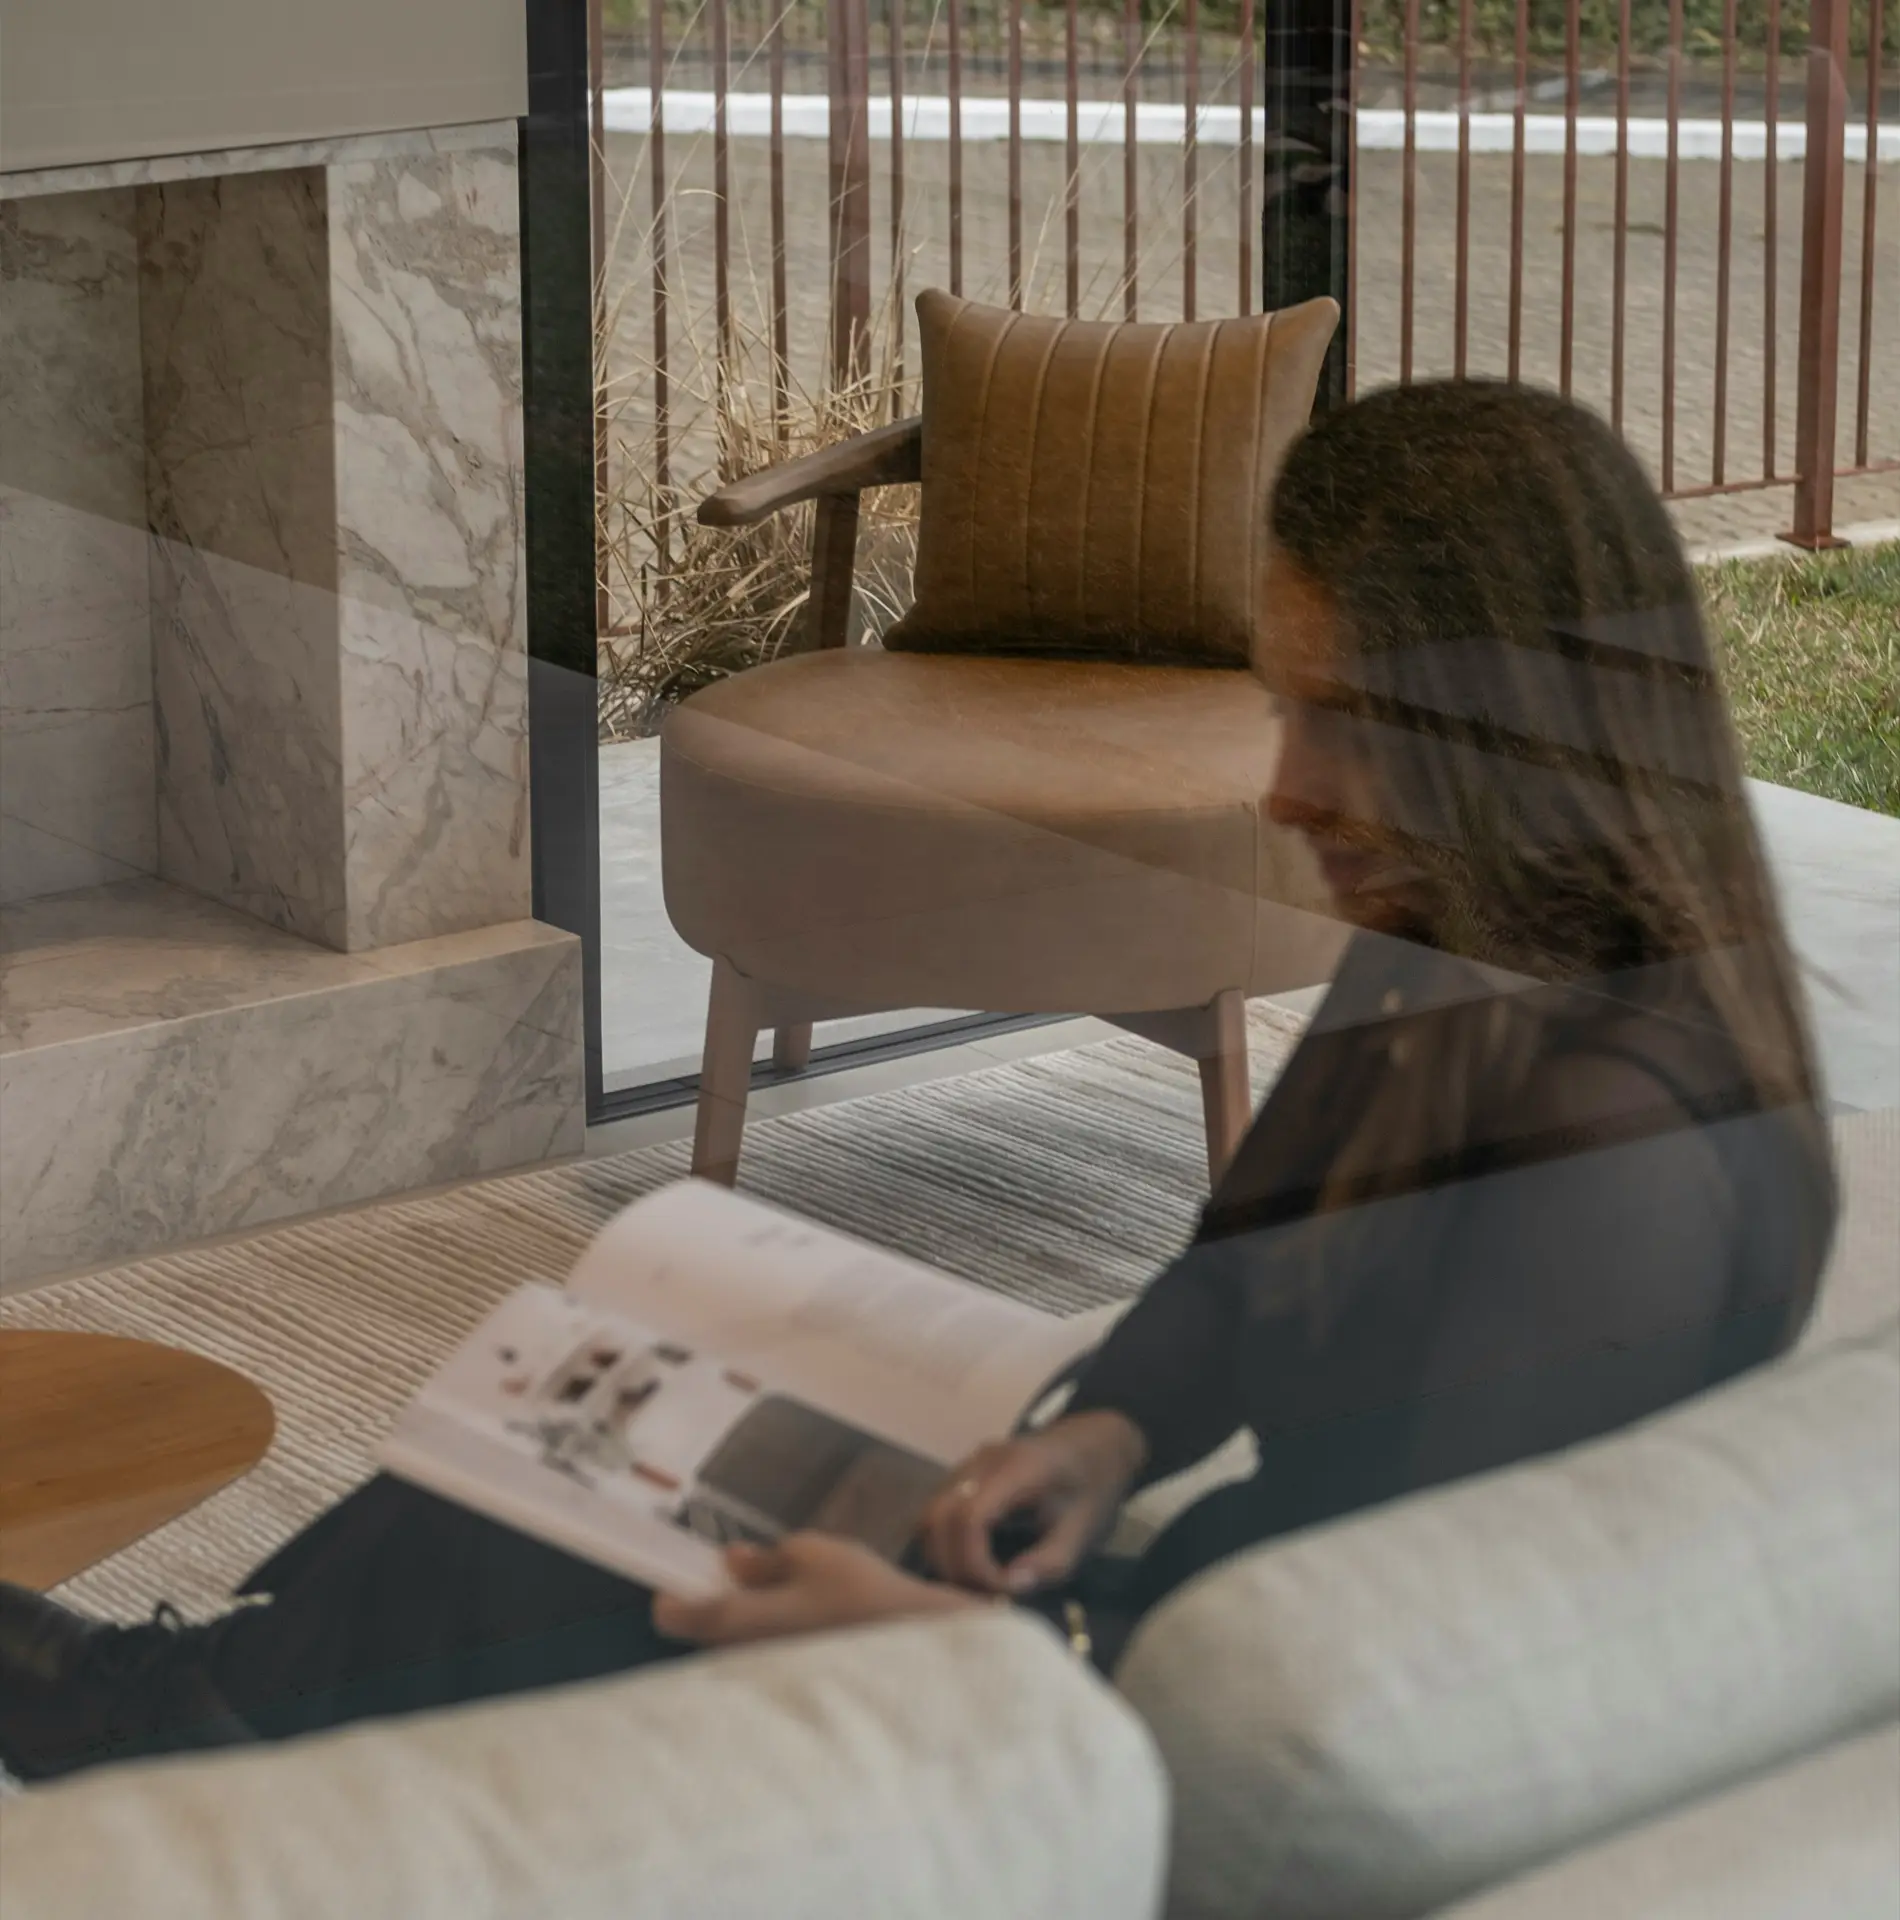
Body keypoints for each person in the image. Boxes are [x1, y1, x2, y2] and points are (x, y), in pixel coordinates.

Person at [0, 382, 1837, 1782]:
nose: (1287, 789)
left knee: (575, 1543)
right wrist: (1101, 1433)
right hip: (1144, 1606)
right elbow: (1243, 1276)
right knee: (586, 1427)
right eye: (1290, 709)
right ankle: (201, 1712)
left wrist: (942, 1640)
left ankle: (178, 1739)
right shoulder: (1466, 949)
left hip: (1151, 1707)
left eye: (1344, 722)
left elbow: (1385, 1703)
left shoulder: (1615, 1162)